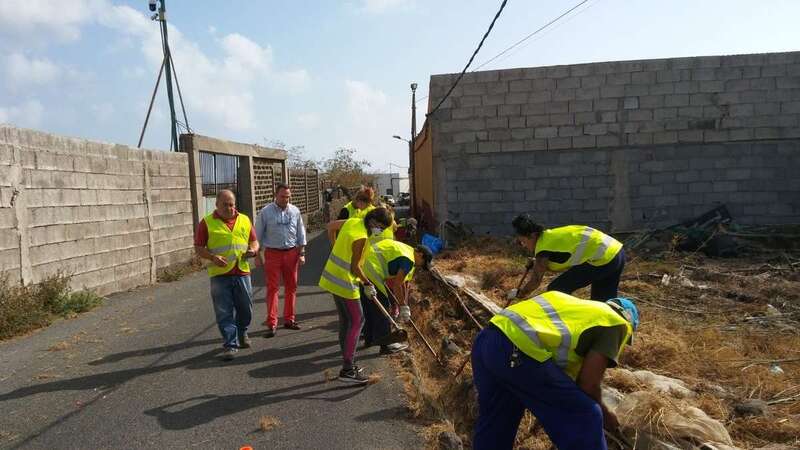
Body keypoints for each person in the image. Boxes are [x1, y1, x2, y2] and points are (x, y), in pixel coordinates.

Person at [472, 291, 639, 450]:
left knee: (498, 419)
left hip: (487, 340)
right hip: (519, 351)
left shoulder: (575, 308)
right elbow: (588, 384)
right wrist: (607, 415)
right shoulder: (616, 323)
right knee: (587, 415)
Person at [319, 207, 394, 384]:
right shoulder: (361, 237)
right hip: (345, 282)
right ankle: (347, 369)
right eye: (381, 227)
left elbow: (331, 226)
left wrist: (334, 246)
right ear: (374, 222)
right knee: (358, 320)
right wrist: (368, 284)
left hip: (333, 277)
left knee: (346, 321)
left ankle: (348, 362)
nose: (380, 231)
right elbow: (355, 268)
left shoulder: (353, 221)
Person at [194, 190, 259, 361]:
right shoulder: (206, 222)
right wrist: (212, 257)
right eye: (225, 205)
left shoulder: (244, 219)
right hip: (220, 275)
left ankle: (242, 332)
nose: (229, 208)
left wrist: (253, 250)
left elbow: (254, 240)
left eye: (232, 204)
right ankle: (230, 344)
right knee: (224, 311)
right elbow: (199, 247)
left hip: (242, 271)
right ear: (216, 205)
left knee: (246, 308)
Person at [508, 214, 625, 302]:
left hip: (603, 259)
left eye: (523, 241)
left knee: (556, 289)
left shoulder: (543, 248)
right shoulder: (549, 236)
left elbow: (536, 281)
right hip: (616, 252)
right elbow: (561, 259)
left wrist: (519, 295)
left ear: (532, 235)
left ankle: (569, 319)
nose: (524, 246)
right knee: (603, 304)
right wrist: (536, 264)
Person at [361, 240, 433, 354]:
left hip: (362, 266)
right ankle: (386, 346)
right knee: (383, 307)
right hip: (372, 269)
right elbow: (397, 285)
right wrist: (403, 306)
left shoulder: (405, 250)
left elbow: (402, 283)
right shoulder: (409, 259)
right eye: (422, 263)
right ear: (420, 254)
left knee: (370, 307)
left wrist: (403, 304)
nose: (420, 266)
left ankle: (369, 339)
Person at [254, 182, 307, 338]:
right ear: (275, 195)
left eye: (288, 197)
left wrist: (302, 253)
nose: (285, 199)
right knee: (273, 288)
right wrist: (257, 256)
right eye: (282, 196)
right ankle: (272, 323)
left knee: (292, 287)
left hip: (292, 253)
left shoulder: (295, 211)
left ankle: (289, 319)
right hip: (272, 254)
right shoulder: (265, 212)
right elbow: (257, 235)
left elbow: (300, 233)